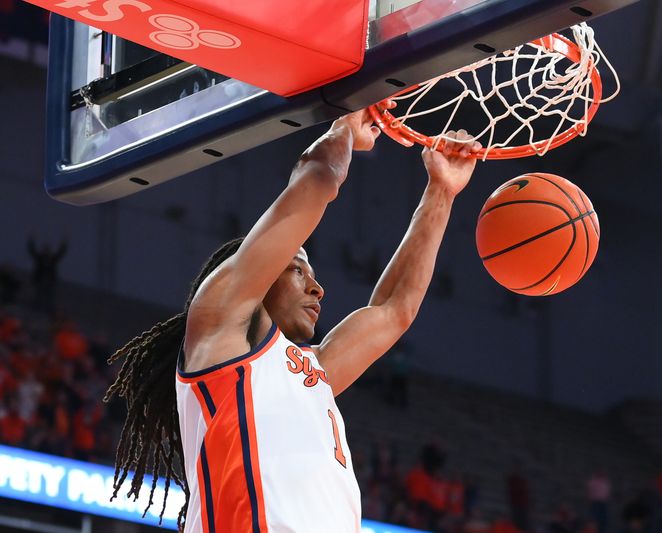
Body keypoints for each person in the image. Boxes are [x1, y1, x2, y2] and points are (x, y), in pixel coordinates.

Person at [104, 108, 481, 531]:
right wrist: (343, 128)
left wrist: (441, 193)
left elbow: (394, 309)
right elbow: (315, 180)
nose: (317, 289)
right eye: (299, 270)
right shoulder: (219, 327)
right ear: (257, 273)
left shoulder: (310, 374)